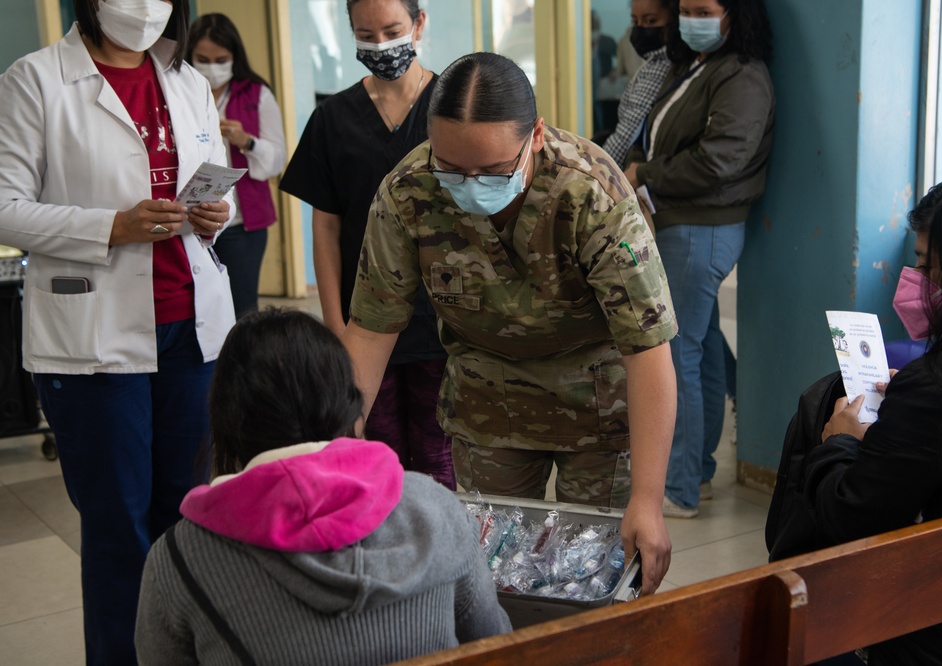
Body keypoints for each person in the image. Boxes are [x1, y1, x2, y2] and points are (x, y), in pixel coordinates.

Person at [342, 52, 679, 596]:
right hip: (487, 401)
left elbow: (647, 349)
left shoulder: (590, 193)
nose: (471, 185)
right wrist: (339, 445)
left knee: (596, 580)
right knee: (489, 578)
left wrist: (647, 497)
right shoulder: (407, 192)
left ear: (536, 137)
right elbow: (370, 331)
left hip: (597, 405)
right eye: (451, 169)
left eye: (494, 171)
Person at [0, 1, 236, 663]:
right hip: (94, 338)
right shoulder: (36, 79)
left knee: (187, 518)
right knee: (118, 531)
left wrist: (217, 212)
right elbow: (5, 207)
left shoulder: (187, 80)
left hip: (191, 331)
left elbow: (217, 185)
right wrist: (112, 226)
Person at [134, 308, 511, 664]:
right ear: (348, 404)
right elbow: (500, 647)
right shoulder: (438, 510)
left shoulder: (180, 558)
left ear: (227, 421)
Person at [804, 168, 942, 664]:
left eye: (927, 264)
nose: (918, 281)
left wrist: (840, 443)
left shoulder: (939, 388)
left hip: (941, 630)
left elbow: (852, 516)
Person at [280, 0, 454, 489]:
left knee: (441, 467)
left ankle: (443, 561)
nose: (381, 46)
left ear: (419, 24)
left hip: (444, 323)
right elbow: (327, 230)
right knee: (375, 465)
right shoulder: (333, 119)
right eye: (366, 35)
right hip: (363, 322)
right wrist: (336, 323)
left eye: (392, 30)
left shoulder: (453, 108)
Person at [624, 0, 774, 518]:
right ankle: (700, 474)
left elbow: (721, 158)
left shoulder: (743, 76)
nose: (691, 18)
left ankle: (680, 487)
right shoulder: (702, 67)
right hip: (684, 223)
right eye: (686, 8)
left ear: (735, 13)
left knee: (676, 353)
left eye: (704, 9)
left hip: (702, 227)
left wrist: (646, 174)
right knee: (702, 346)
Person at [186, 13, 287, 318]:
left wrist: (246, 140)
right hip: (188, 221)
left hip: (242, 223)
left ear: (234, 56)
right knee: (198, 311)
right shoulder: (181, 91)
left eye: (221, 59)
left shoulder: (256, 94)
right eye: (203, 59)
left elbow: (277, 160)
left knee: (243, 312)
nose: (212, 67)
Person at [600, 0, 671, 167]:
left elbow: (626, 136)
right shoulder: (653, 59)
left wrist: (595, 172)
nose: (640, 28)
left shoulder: (662, 65)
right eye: (635, 21)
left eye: (651, 21)